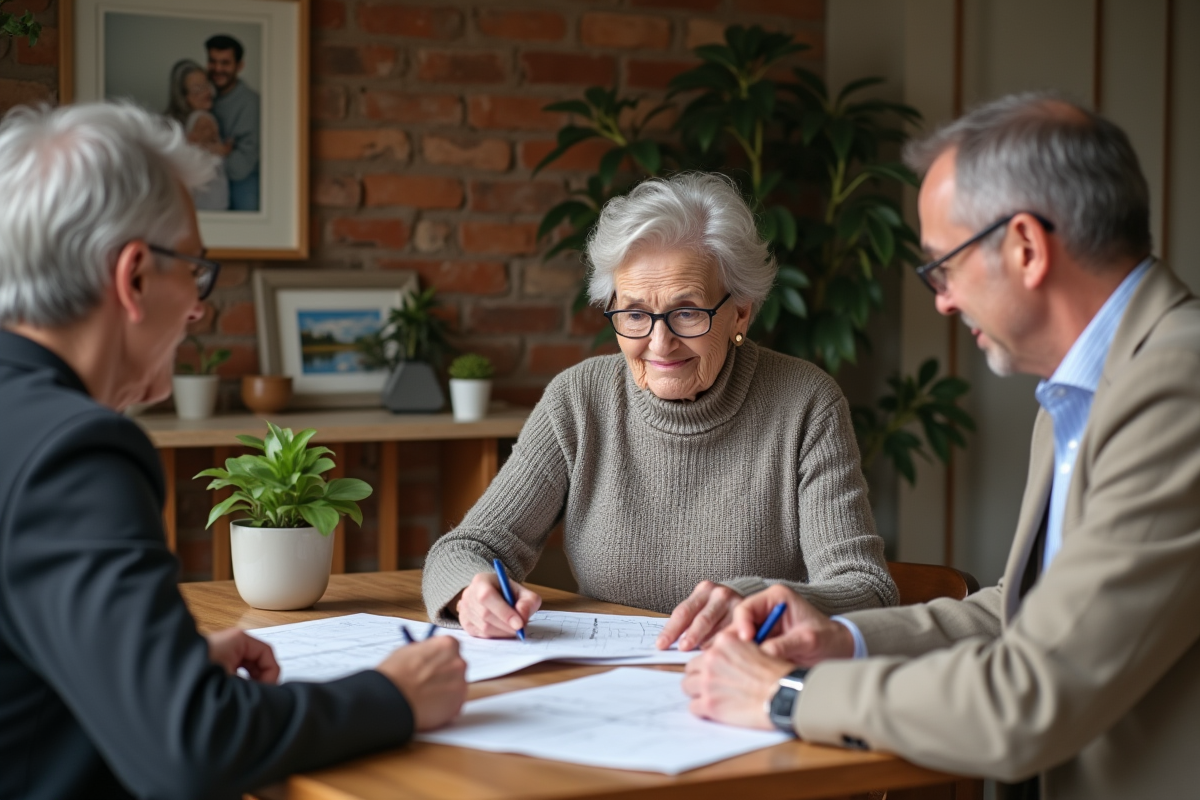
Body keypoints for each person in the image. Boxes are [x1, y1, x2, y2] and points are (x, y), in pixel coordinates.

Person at [682, 93, 1200, 800]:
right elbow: (1025, 618)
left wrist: (790, 694)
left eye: (943, 266)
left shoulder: (1178, 384)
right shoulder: (1082, 388)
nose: (942, 302)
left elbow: (1033, 692)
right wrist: (845, 640)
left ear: (1025, 246)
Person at [0, 102, 467, 800]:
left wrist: (161, 670)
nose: (198, 308)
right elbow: (190, 746)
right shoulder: (73, 453)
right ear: (132, 276)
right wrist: (391, 697)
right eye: (195, 270)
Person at [422, 172, 897, 649]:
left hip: (745, 678)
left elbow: (866, 590)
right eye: (634, 314)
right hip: (607, 683)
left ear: (741, 312)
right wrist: (472, 591)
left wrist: (756, 599)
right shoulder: (579, 399)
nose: (659, 342)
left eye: (687, 311)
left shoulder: (805, 403)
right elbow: (466, 548)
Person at [165, 58, 230, 211]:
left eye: (206, 85)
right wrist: (225, 150)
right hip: (209, 204)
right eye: (197, 89)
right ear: (183, 96)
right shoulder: (202, 119)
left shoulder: (172, 125)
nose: (206, 92)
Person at [206, 34, 259, 211]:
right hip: (210, 180)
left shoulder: (250, 103)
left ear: (239, 66)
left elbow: (243, 165)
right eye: (212, 61)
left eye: (225, 63)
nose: (217, 68)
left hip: (241, 184)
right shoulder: (203, 96)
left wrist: (213, 154)